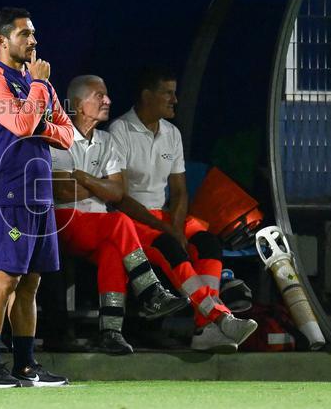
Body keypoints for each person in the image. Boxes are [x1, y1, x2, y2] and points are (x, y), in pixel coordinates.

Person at [108, 66, 258, 352]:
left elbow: (179, 191)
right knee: (170, 246)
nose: (174, 100)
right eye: (168, 93)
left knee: (207, 243)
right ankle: (218, 317)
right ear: (147, 96)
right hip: (131, 219)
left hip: (164, 217)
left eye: (175, 93)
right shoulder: (120, 130)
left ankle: (205, 330)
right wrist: (168, 230)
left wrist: (176, 227)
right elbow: (121, 197)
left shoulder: (172, 133)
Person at [0, 7, 73, 388]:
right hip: (9, 191)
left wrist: (39, 109)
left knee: (31, 282)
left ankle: (25, 365)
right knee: (4, 279)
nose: (33, 41)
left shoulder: (36, 83)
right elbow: (21, 124)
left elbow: (68, 134)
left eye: (33, 34)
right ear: (2, 40)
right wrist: (39, 88)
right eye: (24, 34)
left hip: (40, 195)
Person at [50, 75, 188, 355]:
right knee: (120, 221)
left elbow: (118, 191)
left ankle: (111, 330)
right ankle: (150, 291)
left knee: (114, 248)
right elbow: (62, 192)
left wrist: (84, 178)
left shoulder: (107, 140)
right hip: (64, 220)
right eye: (99, 96)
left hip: (99, 226)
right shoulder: (57, 137)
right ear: (78, 104)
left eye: (107, 95)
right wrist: (102, 186)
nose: (108, 101)